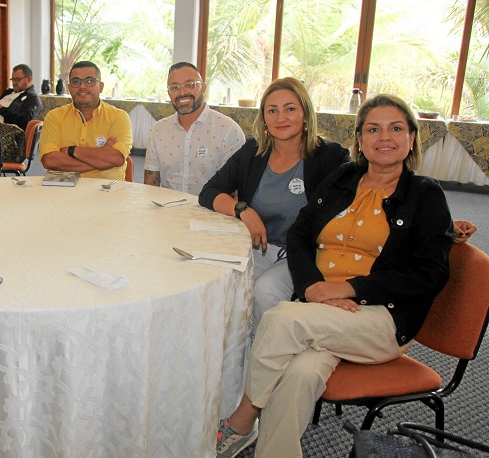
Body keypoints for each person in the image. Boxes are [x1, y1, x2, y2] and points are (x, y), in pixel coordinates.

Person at [213, 94, 455, 458]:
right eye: (373, 129)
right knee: (300, 375)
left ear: (411, 139)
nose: (384, 137)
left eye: (395, 128)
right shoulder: (345, 178)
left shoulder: (425, 195)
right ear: (360, 140)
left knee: (281, 318)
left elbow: (429, 273)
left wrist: (350, 288)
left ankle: (243, 417)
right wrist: (313, 288)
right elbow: (299, 234)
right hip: (324, 310)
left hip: (380, 318)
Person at [198, 77, 350, 325]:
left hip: (305, 256)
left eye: (290, 109)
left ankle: (267, 357)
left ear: (305, 115)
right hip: (259, 248)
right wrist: (242, 210)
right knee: (219, 282)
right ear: (264, 119)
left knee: (265, 290)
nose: (281, 118)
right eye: (272, 110)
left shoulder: (330, 158)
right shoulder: (253, 152)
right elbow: (210, 192)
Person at [146, 62, 245, 195]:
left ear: (203, 88)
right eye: (174, 87)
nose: (182, 92)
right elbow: (151, 186)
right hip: (166, 212)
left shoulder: (228, 130)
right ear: (169, 93)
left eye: (190, 85)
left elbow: (233, 190)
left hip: (211, 212)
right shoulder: (158, 131)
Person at [40, 61, 133, 181]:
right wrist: (100, 161)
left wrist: (71, 150)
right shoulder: (54, 117)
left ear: (101, 86)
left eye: (89, 81)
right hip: (63, 190)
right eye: (76, 82)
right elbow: (49, 160)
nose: (82, 86)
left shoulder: (118, 117)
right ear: (69, 88)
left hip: (106, 191)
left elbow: (116, 158)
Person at [0, 63, 44, 130]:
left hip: (5, 133)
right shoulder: (8, 92)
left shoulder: (33, 98)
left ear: (29, 79)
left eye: (18, 79)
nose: (14, 83)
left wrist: (1, 110)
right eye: (13, 79)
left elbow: (26, 120)